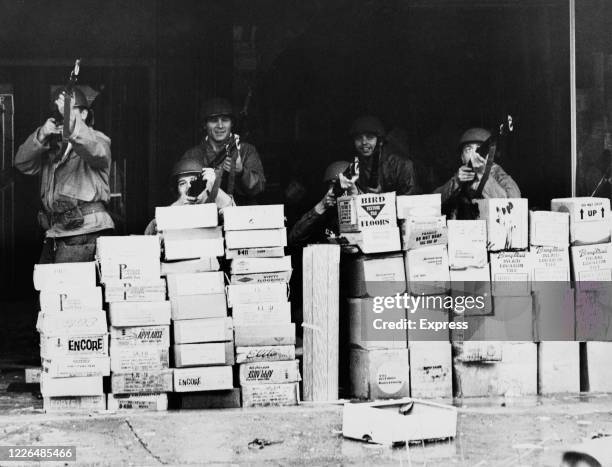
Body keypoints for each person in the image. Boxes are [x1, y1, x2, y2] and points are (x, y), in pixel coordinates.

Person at [15, 87, 114, 263]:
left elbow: (94, 150)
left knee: (67, 289)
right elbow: (22, 164)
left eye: (67, 110)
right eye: (59, 112)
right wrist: (42, 134)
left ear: (83, 114)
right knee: (48, 287)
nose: (62, 116)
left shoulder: (97, 139)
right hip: (57, 232)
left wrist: (71, 121)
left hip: (86, 232)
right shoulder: (52, 148)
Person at [179, 97, 265, 205]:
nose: (220, 126)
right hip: (203, 216)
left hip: (241, 215)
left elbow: (260, 188)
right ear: (205, 125)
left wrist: (241, 172)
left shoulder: (247, 150)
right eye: (214, 120)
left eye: (225, 120)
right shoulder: (191, 155)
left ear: (232, 123)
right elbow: (182, 192)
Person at [434, 127, 520, 219]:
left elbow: (514, 205)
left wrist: (483, 176)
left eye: (478, 149)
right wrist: (455, 182)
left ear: (489, 155)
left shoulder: (497, 173)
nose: (474, 155)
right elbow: (430, 202)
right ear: (462, 157)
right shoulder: (460, 175)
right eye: (469, 150)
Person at [144, 159, 235, 235]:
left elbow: (238, 220)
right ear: (177, 191)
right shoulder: (172, 210)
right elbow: (150, 236)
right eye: (182, 183)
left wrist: (215, 189)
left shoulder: (217, 208)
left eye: (194, 181)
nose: (189, 186)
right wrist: (178, 206)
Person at [288, 160, 358, 249]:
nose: (341, 189)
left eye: (346, 186)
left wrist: (355, 201)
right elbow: (294, 239)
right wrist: (322, 206)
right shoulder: (324, 214)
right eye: (335, 184)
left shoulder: (360, 206)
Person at [349, 115, 420, 195]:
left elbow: (410, 199)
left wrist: (382, 195)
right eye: (359, 138)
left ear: (380, 141)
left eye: (370, 137)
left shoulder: (402, 165)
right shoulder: (354, 166)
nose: (364, 142)